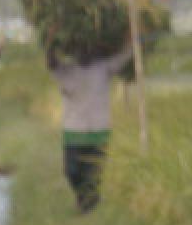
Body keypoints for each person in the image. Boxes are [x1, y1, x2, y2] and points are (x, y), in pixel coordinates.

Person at [46, 41, 133, 213]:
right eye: (80, 50)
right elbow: (51, 63)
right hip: (74, 131)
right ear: (74, 53)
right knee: (71, 171)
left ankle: (89, 202)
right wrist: (50, 44)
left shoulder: (103, 68)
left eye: (88, 49)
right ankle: (84, 197)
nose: (84, 53)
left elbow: (124, 57)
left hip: (98, 129)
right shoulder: (66, 71)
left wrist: (132, 39)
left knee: (94, 172)